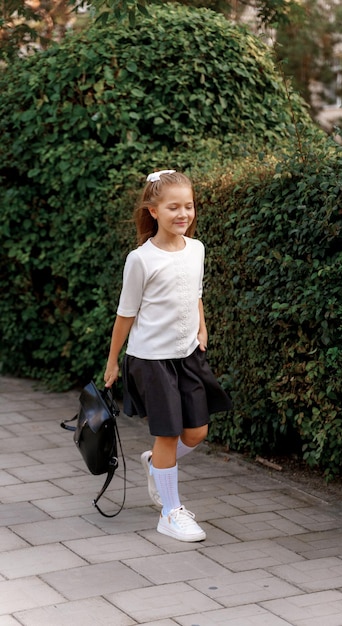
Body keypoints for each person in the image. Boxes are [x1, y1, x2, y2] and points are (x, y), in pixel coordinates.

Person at [104, 169, 232, 542]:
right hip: (151, 359)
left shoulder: (197, 249)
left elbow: (194, 292)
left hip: (188, 354)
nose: (183, 214)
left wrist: (202, 325)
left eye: (189, 206)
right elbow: (125, 313)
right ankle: (170, 512)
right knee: (167, 432)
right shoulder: (140, 259)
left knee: (197, 431)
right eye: (173, 207)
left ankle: (157, 465)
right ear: (153, 211)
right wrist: (114, 360)